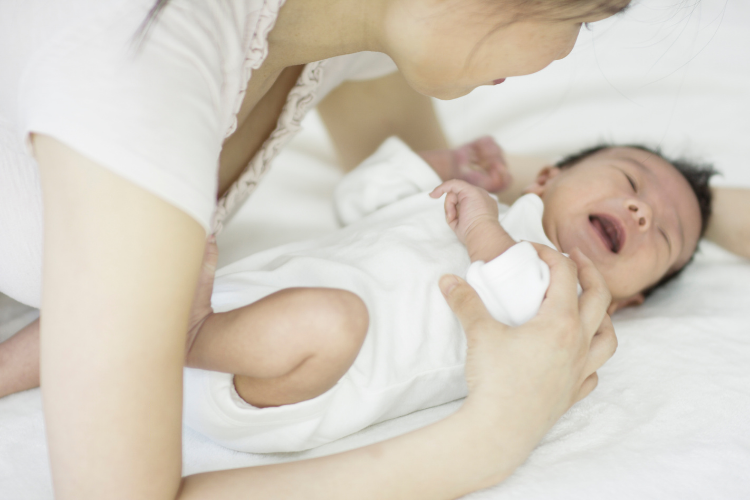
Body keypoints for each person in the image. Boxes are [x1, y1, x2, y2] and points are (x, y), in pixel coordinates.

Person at [0, 0, 737, 498]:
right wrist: (488, 439)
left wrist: (689, 213)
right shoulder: (135, 79)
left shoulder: (351, 37)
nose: (563, 53)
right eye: (582, 19)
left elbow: (456, 181)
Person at [177, 137, 712, 453]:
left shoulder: (568, 303)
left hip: (286, 385)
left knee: (330, 319)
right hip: (238, 299)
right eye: (629, 180)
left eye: (663, 236)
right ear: (547, 177)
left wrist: (482, 230)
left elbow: (523, 304)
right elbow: (360, 196)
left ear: (629, 300)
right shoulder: (472, 203)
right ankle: (176, 329)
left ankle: (189, 337)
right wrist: (444, 168)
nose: (642, 213)